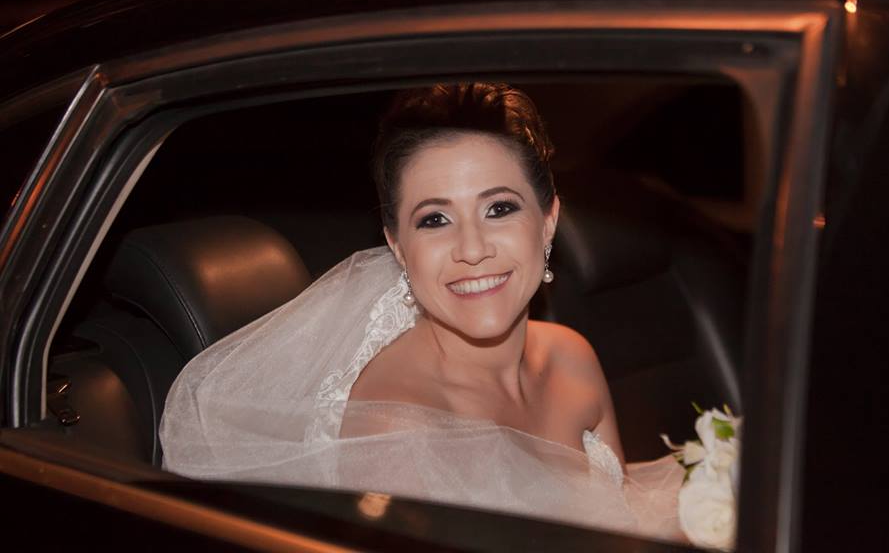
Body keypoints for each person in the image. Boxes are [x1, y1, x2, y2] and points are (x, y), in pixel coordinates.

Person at [159, 83, 683, 541]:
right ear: (398, 245)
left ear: (548, 221)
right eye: (435, 220)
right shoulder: (394, 433)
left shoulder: (572, 358)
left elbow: (625, 527)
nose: (472, 249)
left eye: (499, 209)